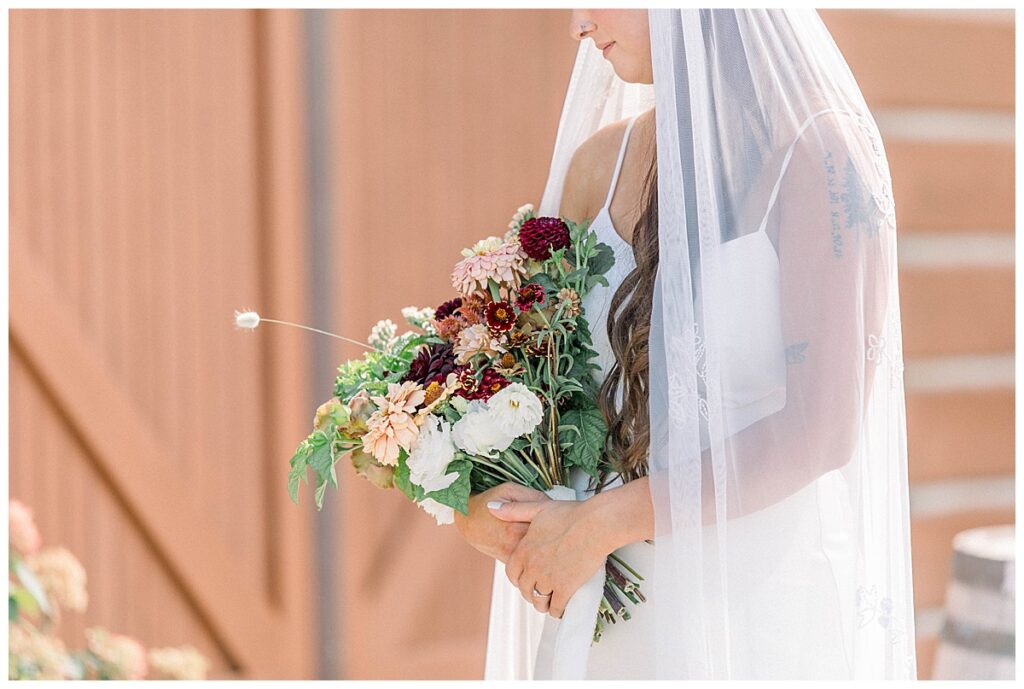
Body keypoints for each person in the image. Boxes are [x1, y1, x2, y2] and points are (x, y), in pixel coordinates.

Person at [455, 9, 916, 680]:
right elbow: (527, 386)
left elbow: (823, 429)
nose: (578, 24)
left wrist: (603, 522)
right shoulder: (596, 168)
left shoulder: (817, 154)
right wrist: (476, 499)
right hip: (599, 615)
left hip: (751, 615)